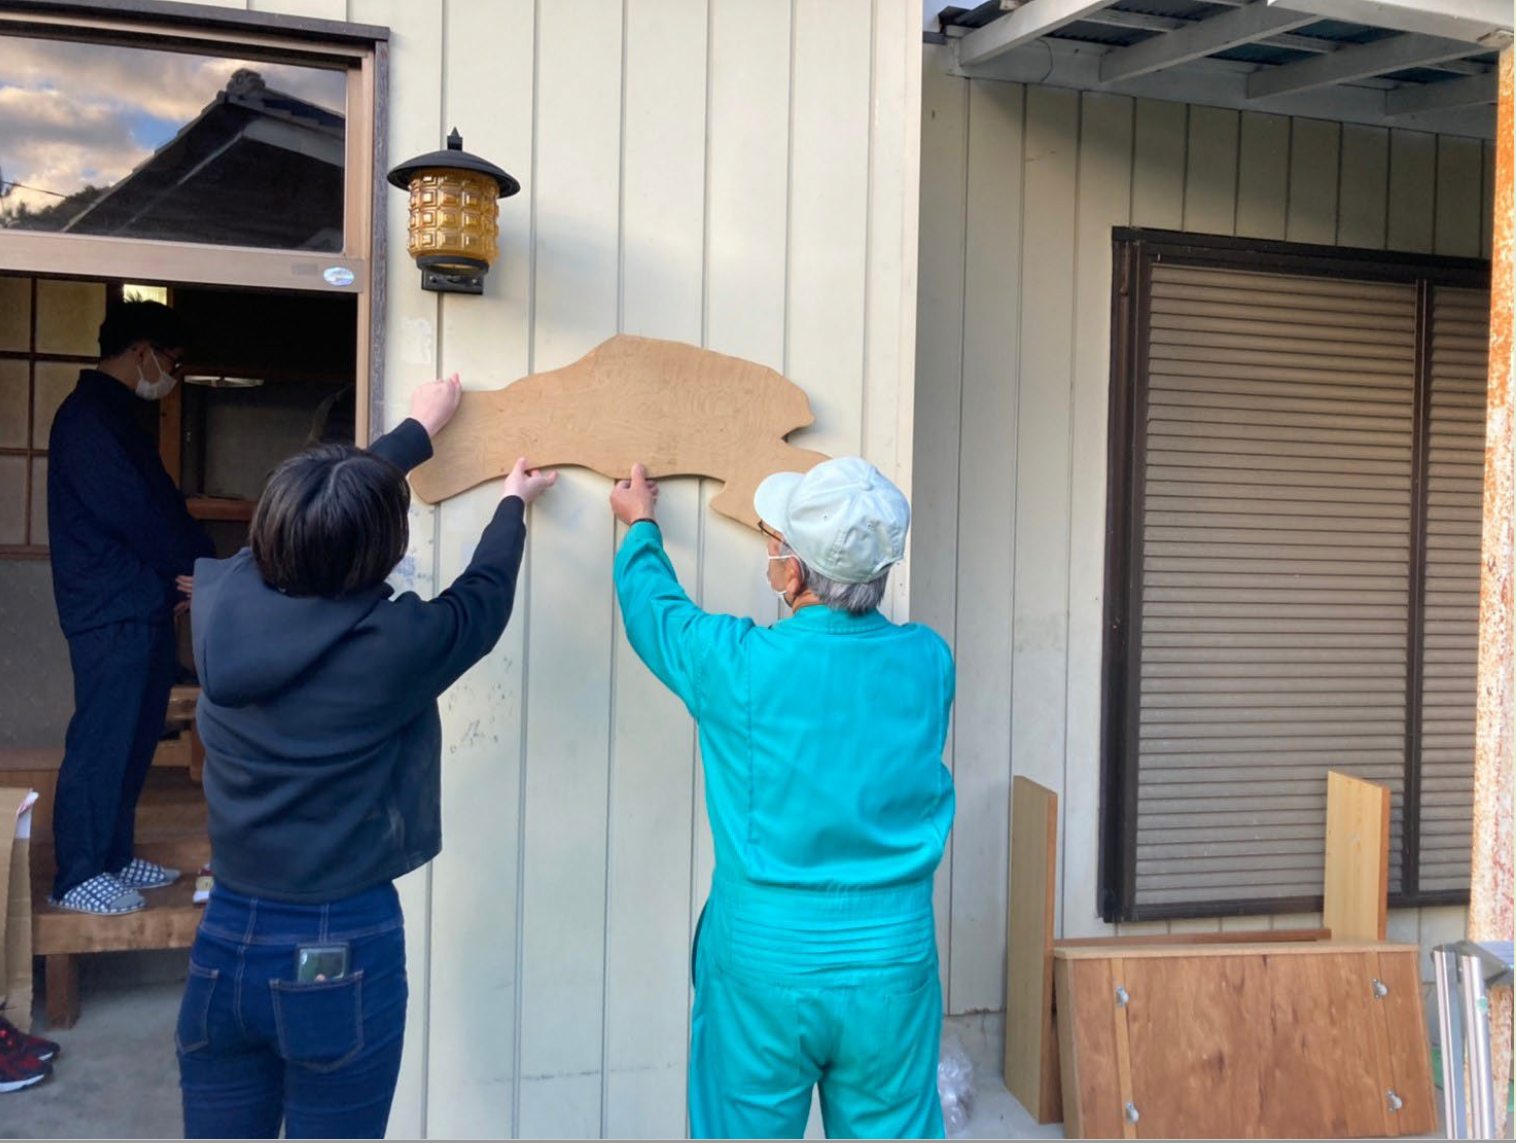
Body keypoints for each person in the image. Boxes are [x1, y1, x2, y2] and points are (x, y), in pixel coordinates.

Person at [175, 376, 556, 1139]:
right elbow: (480, 603)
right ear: (381, 549)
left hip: (224, 940)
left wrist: (416, 430)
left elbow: (316, 514)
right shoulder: (389, 648)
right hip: (338, 941)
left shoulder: (224, 599)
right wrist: (511, 505)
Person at [610, 458, 956, 1139]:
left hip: (763, 965)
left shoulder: (736, 663)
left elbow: (657, 613)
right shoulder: (930, 661)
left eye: (775, 541)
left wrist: (641, 526)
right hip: (893, 963)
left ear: (793, 573)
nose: (771, 552)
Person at [46, 300, 213, 916]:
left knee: (135, 736)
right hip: (109, 605)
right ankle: (77, 874)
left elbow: (159, 507)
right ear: (140, 350)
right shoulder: (88, 418)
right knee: (103, 738)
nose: (173, 376)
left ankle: (112, 855)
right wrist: (197, 568)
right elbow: (137, 515)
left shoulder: (115, 414)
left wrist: (190, 572)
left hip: (137, 601)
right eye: (172, 361)